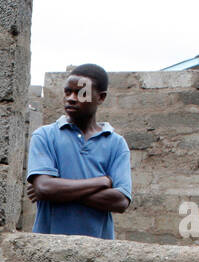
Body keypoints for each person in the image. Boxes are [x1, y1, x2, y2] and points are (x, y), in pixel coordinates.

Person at [25, 63, 132, 239]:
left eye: (81, 93)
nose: (72, 98)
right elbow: (44, 187)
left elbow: (120, 201)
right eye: (68, 92)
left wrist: (57, 191)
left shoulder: (116, 144)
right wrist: (101, 182)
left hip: (99, 253)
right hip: (48, 250)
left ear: (101, 97)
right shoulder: (45, 136)